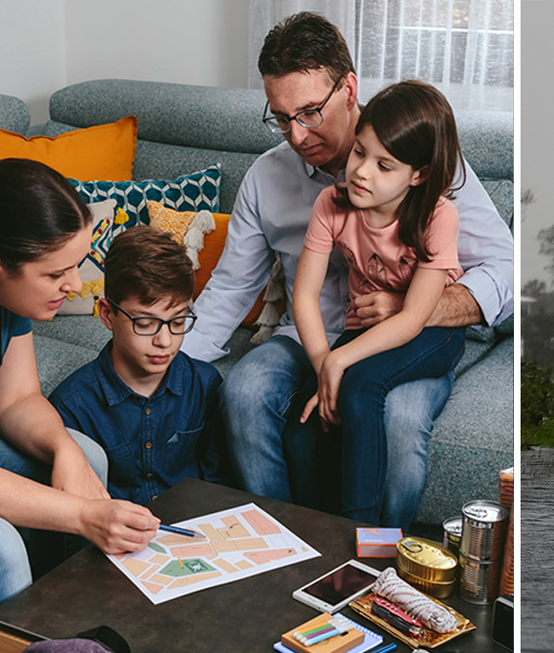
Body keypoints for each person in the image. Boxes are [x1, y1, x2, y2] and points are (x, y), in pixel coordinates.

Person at [181, 11, 513, 529]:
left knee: (397, 422)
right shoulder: (269, 179)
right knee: (243, 392)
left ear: (349, 88)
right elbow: (228, 288)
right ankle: (286, 546)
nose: (296, 134)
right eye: (281, 117)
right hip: (307, 336)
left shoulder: (424, 163)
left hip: (405, 338)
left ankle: (382, 559)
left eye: (310, 112)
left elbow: (508, 272)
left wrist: (413, 306)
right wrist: (164, 367)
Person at [0, 158, 160, 653]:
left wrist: (66, 451)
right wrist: (84, 515)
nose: (74, 284)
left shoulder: (8, 295)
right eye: (55, 272)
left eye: (75, 264)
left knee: (83, 451)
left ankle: (69, 646)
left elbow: (19, 401)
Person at [290, 80, 467, 525]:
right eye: (360, 153)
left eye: (384, 165)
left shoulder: (437, 216)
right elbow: (305, 296)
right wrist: (322, 364)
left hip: (431, 332)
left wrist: (340, 363)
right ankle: (321, 531)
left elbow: (411, 320)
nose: (363, 172)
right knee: (307, 422)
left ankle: (363, 538)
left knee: (362, 387)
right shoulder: (332, 203)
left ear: (418, 174)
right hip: (364, 328)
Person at [49, 226, 229, 505]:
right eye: (145, 324)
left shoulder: (205, 385)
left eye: (178, 322)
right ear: (107, 314)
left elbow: (219, 484)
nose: (165, 341)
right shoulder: (71, 406)